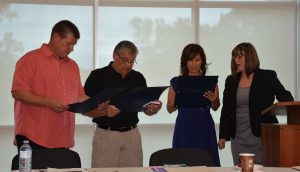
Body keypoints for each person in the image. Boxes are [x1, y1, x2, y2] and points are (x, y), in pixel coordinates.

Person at [11, 20, 119, 150]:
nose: (72, 49)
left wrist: (99, 106)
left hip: (63, 139)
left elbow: (80, 97)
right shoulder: (29, 59)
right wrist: (49, 102)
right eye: (68, 44)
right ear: (56, 37)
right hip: (33, 138)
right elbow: (18, 92)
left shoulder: (72, 66)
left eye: (73, 45)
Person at [84, 40, 162, 167]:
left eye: (132, 61)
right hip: (106, 135)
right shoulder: (97, 76)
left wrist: (153, 109)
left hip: (132, 135)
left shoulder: (138, 78)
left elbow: (146, 109)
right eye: (125, 60)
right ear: (115, 56)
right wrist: (104, 111)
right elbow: (85, 109)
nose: (129, 65)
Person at [218, 42, 294, 165]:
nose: (236, 60)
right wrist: (222, 136)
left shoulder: (267, 76)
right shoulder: (231, 80)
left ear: (250, 57)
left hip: (262, 136)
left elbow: (286, 99)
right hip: (238, 138)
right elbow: (226, 110)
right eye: (234, 57)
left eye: (239, 57)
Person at [166, 43, 221, 166]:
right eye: (190, 60)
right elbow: (169, 108)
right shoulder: (176, 82)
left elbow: (216, 107)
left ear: (202, 61)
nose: (194, 63)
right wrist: (178, 103)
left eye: (197, 60)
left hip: (204, 125)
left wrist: (214, 100)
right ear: (185, 62)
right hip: (184, 125)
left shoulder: (210, 82)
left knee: (207, 160)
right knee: (182, 161)